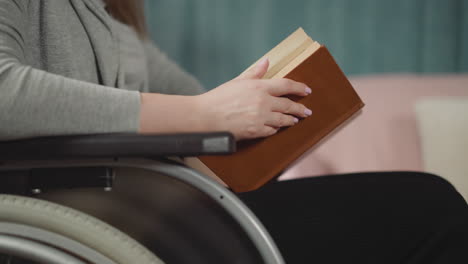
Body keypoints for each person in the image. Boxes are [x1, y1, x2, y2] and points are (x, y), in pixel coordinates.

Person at [0, 0, 466, 263]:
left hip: (164, 206)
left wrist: (248, 113)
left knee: (425, 200)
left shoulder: (113, 19)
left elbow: (189, 98)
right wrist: (203, 113)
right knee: (429, 206)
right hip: (95, 221)